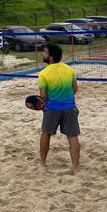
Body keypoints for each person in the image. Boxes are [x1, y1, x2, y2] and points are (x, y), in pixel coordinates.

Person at [38, 44, 80, 174]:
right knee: (73, 137)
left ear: (50, 57)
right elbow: (75, 89)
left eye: (45, 53)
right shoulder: (69, 69)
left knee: (46, 134)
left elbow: (43, 96)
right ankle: (75, 168)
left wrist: (45, 103)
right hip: (69, 107)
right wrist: (65, 98)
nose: (43, 55)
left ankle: (42, 163)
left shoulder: (43, 73)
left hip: (52, 108)